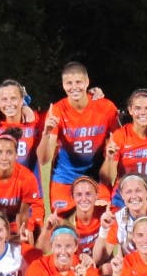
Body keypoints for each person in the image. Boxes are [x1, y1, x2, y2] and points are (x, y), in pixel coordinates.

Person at [39, 62, 120, 211]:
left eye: (78, 82)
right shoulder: (57, 110)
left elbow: (120, 141)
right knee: (61, 222)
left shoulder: (106, 108)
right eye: (69, 83)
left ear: (87, 82)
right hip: (65, 177)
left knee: (103, 219)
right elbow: (44, 160)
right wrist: (46, 133)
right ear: (63, 85)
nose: (74, 87)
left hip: (97, 176)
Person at [99, 88, 147, 203]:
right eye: (138, 108)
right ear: (130, 110)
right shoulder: (120, 136)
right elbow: (106, 179)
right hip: (124, 199)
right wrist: (109, 158)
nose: (143, 112)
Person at [0, 79, 44, 185]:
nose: (9, 103)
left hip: (31, 189)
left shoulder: (35, 120)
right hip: (2, 189)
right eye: (4, 99)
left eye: (13, 98)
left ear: (21, 100)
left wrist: (25, 106)